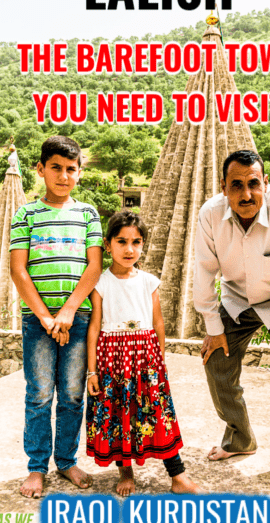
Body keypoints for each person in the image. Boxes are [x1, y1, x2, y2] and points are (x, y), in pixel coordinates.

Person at [193, 149, 270, 498]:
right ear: (224, 189)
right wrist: (213, 329)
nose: (246, 195)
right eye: (237, 186)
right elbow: (203, 272)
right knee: (215, 362)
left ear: (266, 183)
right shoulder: (210, 215)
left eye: (253, 184)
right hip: (237, 298)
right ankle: (240, 438)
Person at [10, 135, 103, 499]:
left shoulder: (87, 214)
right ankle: (36, 467)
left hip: (77, 318)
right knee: (39, 394)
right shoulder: (26, 214)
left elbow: (94, 266)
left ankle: (65, 460)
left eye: (71, 169)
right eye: (56, 168)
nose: (63, 176)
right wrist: (47, 317)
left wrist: (66, 312)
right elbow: (19, 271)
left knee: (72, 395)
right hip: (38, 321)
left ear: (79, 173)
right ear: (40, 169)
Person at [86, 211, 202, 496]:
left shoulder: (149, 281)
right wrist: (92, 371)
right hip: (112, 360)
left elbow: (158, 323)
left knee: (158, 414)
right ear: (108, 243)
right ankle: (125, 471)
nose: (129, 249)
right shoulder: (100, 283)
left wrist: (159, 361)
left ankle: (177, 475)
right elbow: (94, 327)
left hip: (146, 358)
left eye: (136, 242)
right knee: (118, 415)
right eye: (122, 241)